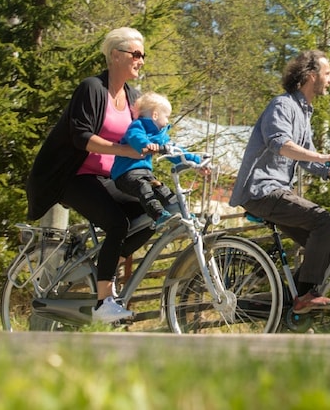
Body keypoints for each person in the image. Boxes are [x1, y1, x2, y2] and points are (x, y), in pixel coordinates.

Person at [26, 27, 151, 324]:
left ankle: (103, 267)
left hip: (107, 177)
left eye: (143, 55)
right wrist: (124, 150)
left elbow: (146, 135)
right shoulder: (92, 88)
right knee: (117, 223)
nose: (141, 60)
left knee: (151, 214)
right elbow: (81, 137)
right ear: (115, 55)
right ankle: (103, 302)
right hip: (73, 176)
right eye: (136, 54)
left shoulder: (132, 98)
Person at [229, 50, 330, 314]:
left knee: (327, 249)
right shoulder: (282, 106)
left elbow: (309, 160)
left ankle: (286, 307)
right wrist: (324, 156)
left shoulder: (304, 112)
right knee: (323, 221)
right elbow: (281, 144)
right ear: (311, 75)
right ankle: (305, 296)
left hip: (276, 192)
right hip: (261, 190)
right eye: (328, 73)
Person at [110, 92, 204, 225]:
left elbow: (176, 151)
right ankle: (159, 215)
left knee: (161, 188)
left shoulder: (161, 136)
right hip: (125, 174)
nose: (167, 121)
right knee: (143, 187)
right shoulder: (138, 125)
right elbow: (135, 136)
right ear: (155, 115)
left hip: (144, 173)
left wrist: (197, 161)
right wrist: (146, 145)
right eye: (166, 117)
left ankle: (182, 211)